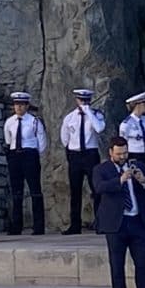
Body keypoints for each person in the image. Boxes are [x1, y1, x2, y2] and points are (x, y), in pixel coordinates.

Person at [91, 138, 145, 288]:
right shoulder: (101, 169)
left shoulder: (137, 165)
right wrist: (120, 180)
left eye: (125, 153)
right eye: (119, 153)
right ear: (111, 153)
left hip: (137, 222)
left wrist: (142, 180)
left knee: (142, 264)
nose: (122, 157)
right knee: (117, 265)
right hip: (116, 224)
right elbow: (99, 187)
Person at [59, 88, 107, 235]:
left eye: (86, 101)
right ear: (76, 100)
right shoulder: (69, 118)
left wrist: (88, 112)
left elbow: (99, 128)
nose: (84, 103)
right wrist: (71, 151)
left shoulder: (95, 115)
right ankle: (75, 225)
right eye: (81, 100)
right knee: (75, 191)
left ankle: (101, 223)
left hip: (90, 154)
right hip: (75, 155)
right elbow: (65, 138)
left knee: (96, 189)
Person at [1, 91, 46, 235]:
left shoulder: (33, 121)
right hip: (15, 155)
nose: (18, 108)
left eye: (21, 105)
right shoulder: (10, 122)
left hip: (29, 154)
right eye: (16, 105)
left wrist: (34, 155)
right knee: (16, 191)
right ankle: (16, 225)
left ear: (27, 106)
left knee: (35, 191)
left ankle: (38, 225)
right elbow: (8, 140)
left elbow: (42, 142)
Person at [119, 91, 145, 198]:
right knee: (140, 186)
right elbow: (123, 143)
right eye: (144, 103)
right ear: (138, 105)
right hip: (136, 157)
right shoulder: (126, 125)